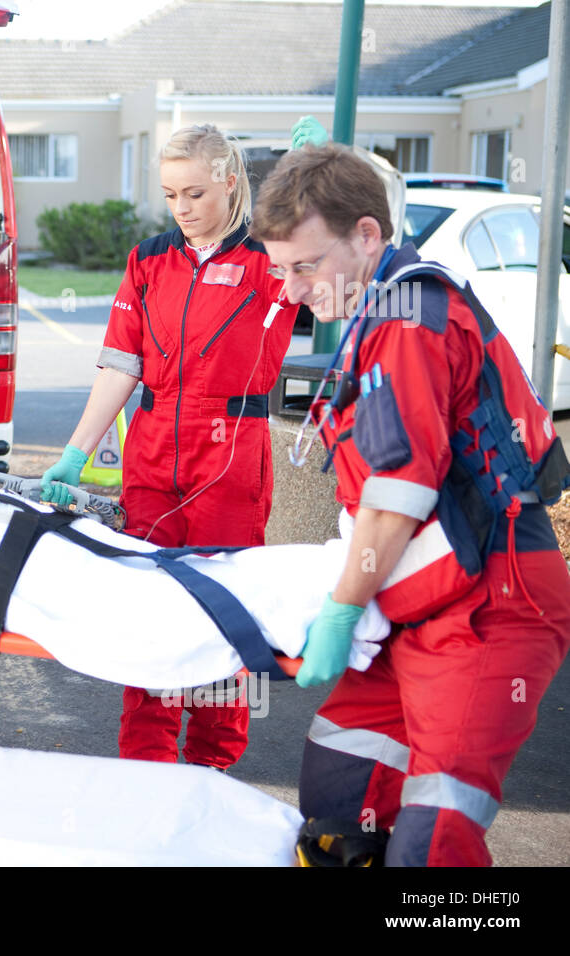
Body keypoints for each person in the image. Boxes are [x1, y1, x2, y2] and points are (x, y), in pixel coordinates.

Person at [252, 143, 570, 866]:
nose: (290, 290)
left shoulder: (406, 323)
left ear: (367, 236)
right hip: (413, 612)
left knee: (432, 844)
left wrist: (339, 610)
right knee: (339, 801)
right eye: (280, 269)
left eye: (304, 266)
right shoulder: (382, 310)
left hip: (490, 609)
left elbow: (398, 496)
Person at [40, 124, 298, 769]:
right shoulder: (149, 258)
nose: (182, 209)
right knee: (151, 611)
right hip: (152, 455)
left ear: (231, 182)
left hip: (231, 455)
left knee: (221, 613)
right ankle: (146, 764)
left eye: (196, 193)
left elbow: (358, 259)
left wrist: (323, 170)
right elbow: (119, 366)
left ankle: (212, 764)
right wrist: (75, 453)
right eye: (170, 194)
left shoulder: (274, 259)